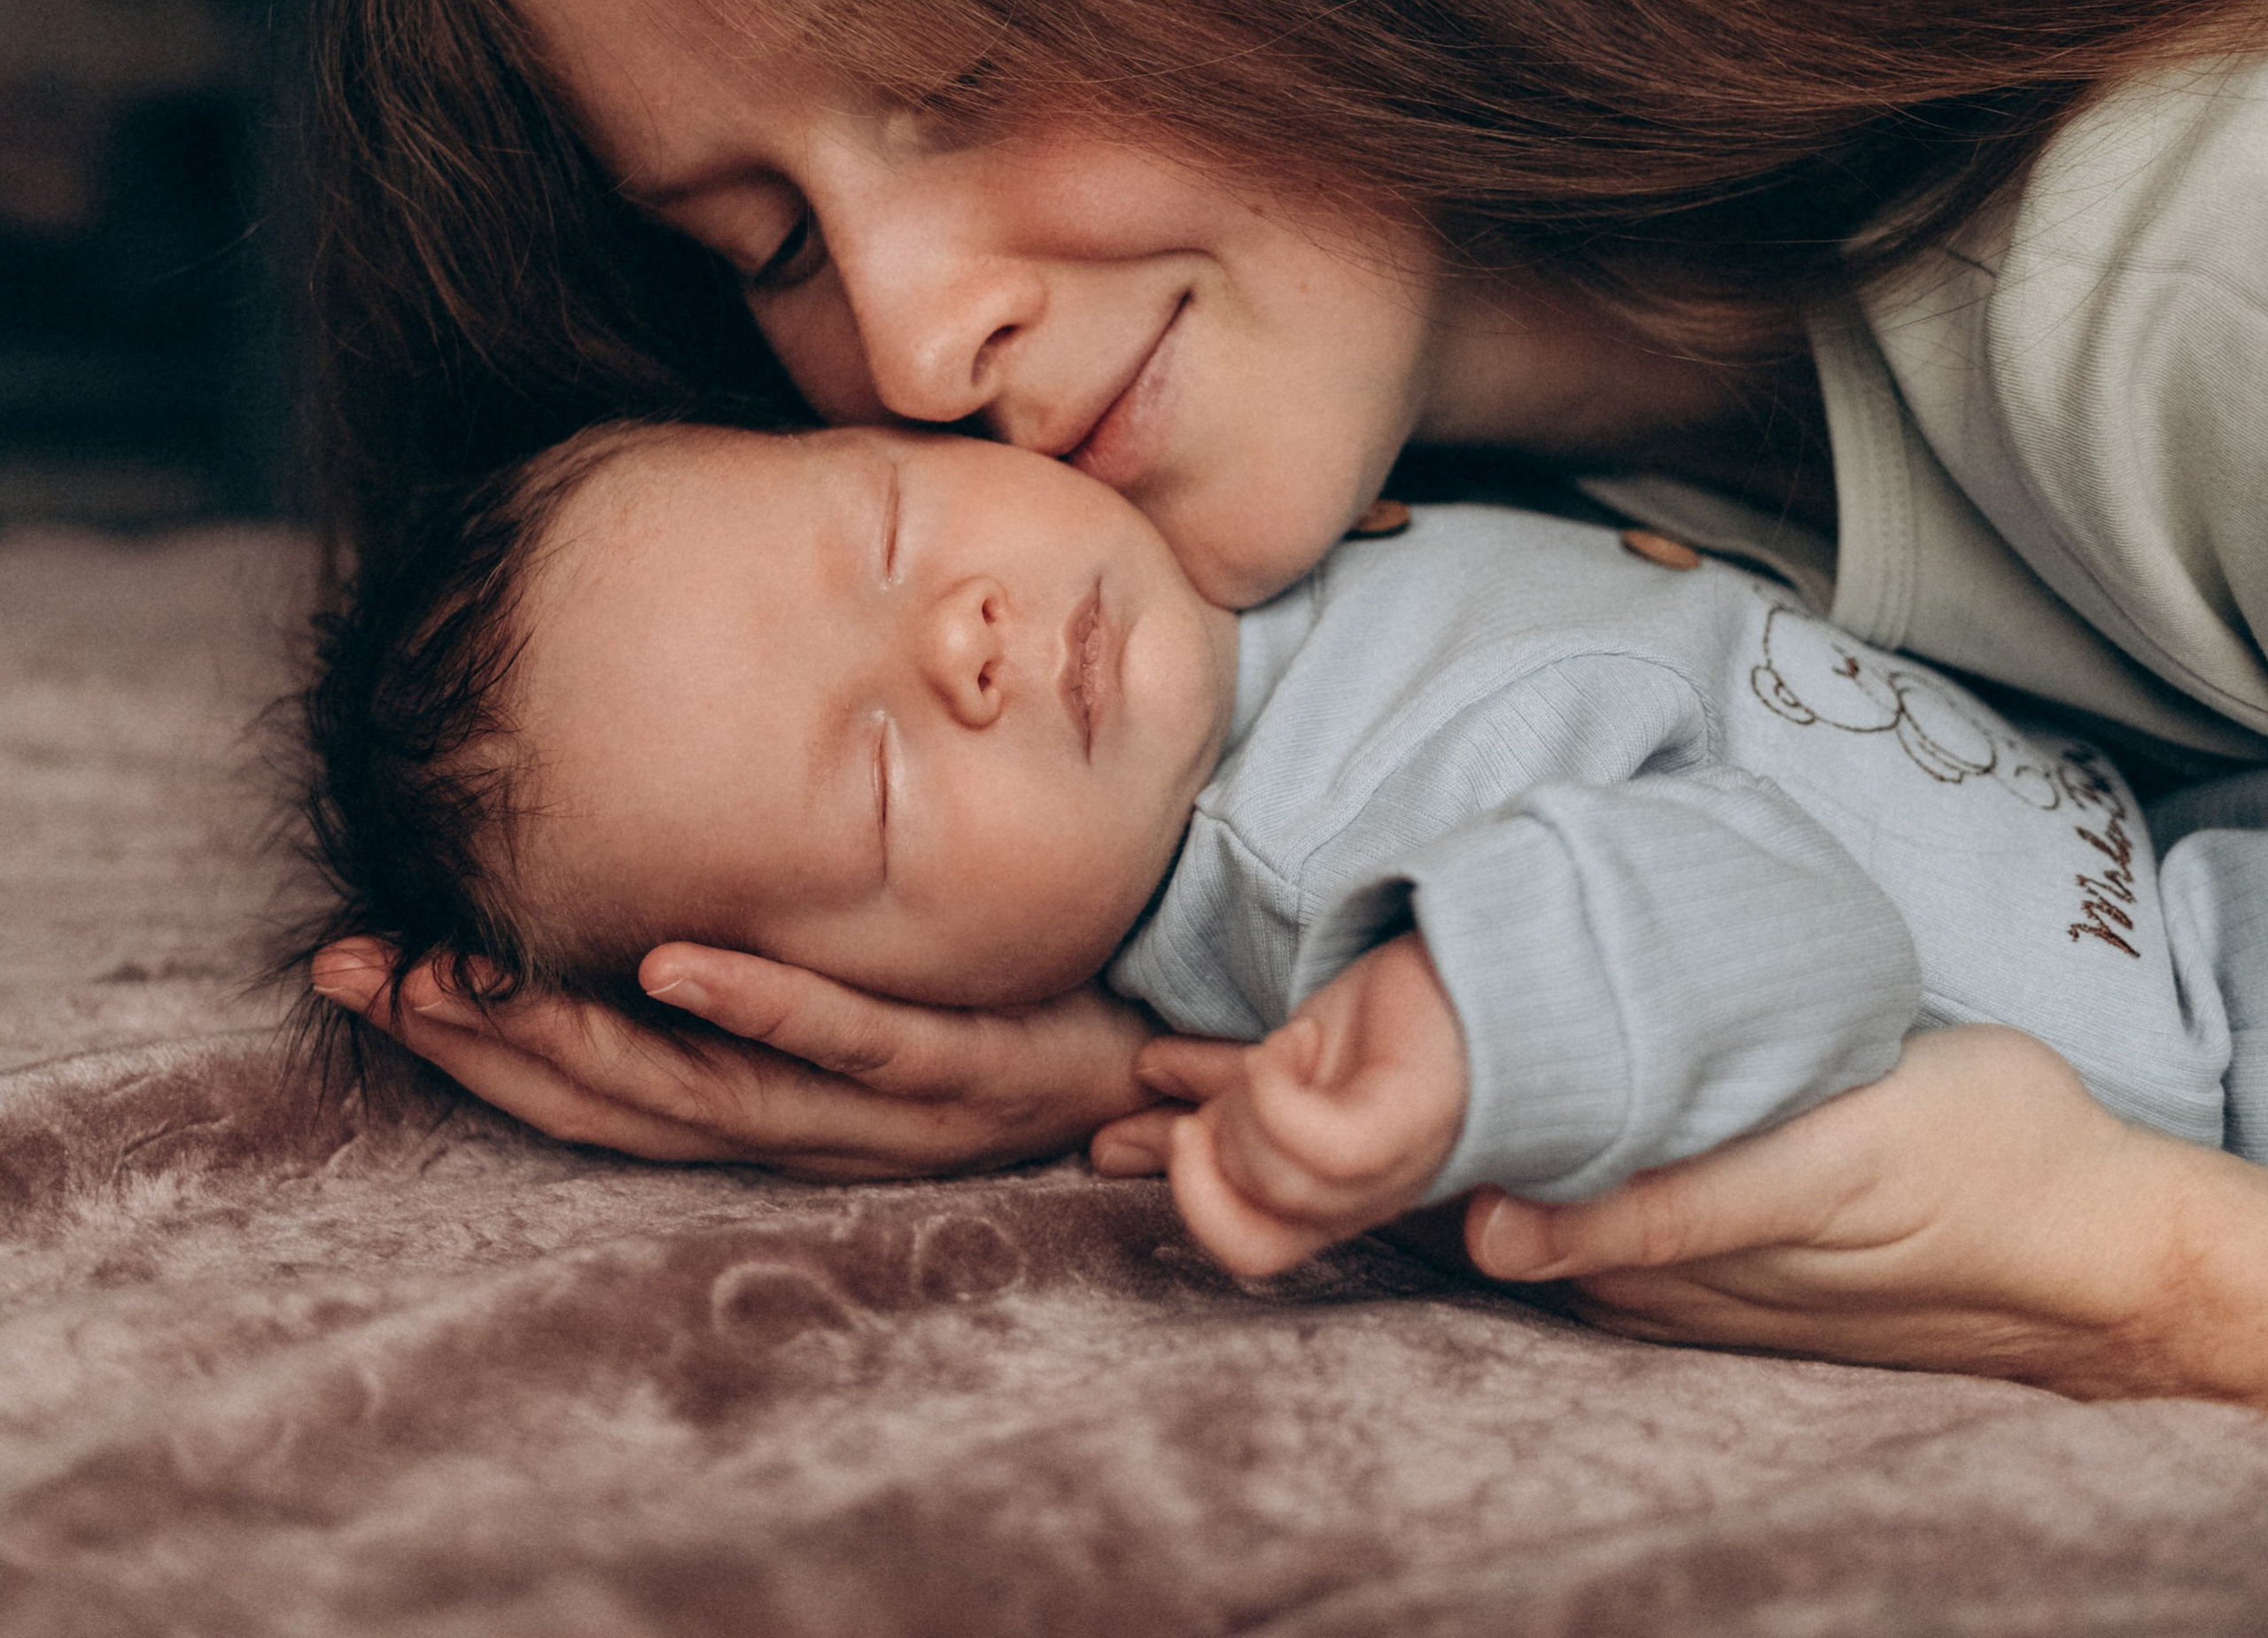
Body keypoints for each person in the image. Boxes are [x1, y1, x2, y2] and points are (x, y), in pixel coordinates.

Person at [303, 0, 2268, 1401]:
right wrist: (1130, 1032)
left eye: (950, 81)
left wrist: (2131, 1271)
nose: (909, 337)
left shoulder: (2191, 276)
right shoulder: (1435, 513)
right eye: (766, 244)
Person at [298, 415, 2268, 1288]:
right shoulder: (1328, 876)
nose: (962, 642)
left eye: (887, 528)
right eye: (881, 784)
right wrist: (1470, 1020)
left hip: (2176, 841)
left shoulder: (1247, 559)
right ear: (857, 1004)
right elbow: (1779, 927)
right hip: (2204, 1056)